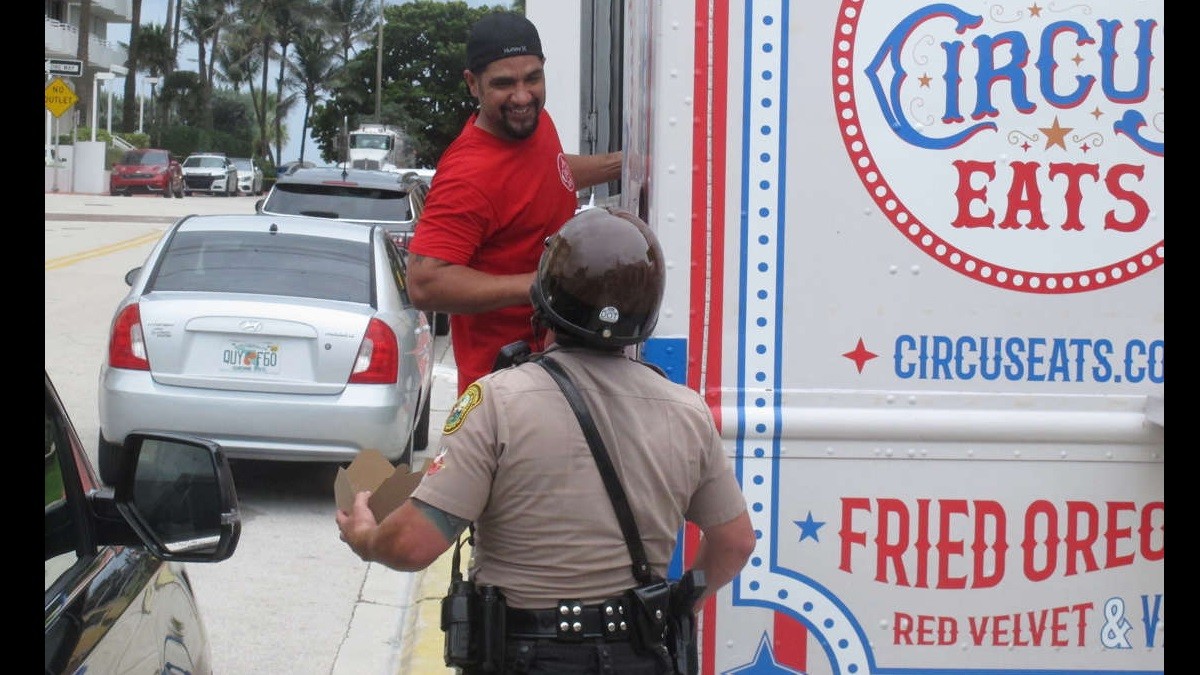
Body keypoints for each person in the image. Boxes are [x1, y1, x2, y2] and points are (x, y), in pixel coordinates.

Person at [337, 207, 756, 674]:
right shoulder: (687, 412)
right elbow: (735, 542)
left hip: (525, 655)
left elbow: (413, 545)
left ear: (545, 299)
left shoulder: (496, 401)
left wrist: (367, 538)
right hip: (638, 654)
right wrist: (680, 604)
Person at [407, 10, 623, 396]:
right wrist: (543, 286)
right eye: (504, 84)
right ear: (473, 84)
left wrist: (622, 165)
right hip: (503, 394)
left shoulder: (536, 126)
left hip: (556, 376)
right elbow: (425, 283)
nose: (523, 96)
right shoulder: (467, 174)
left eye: (532, 78)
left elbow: (547, 172)